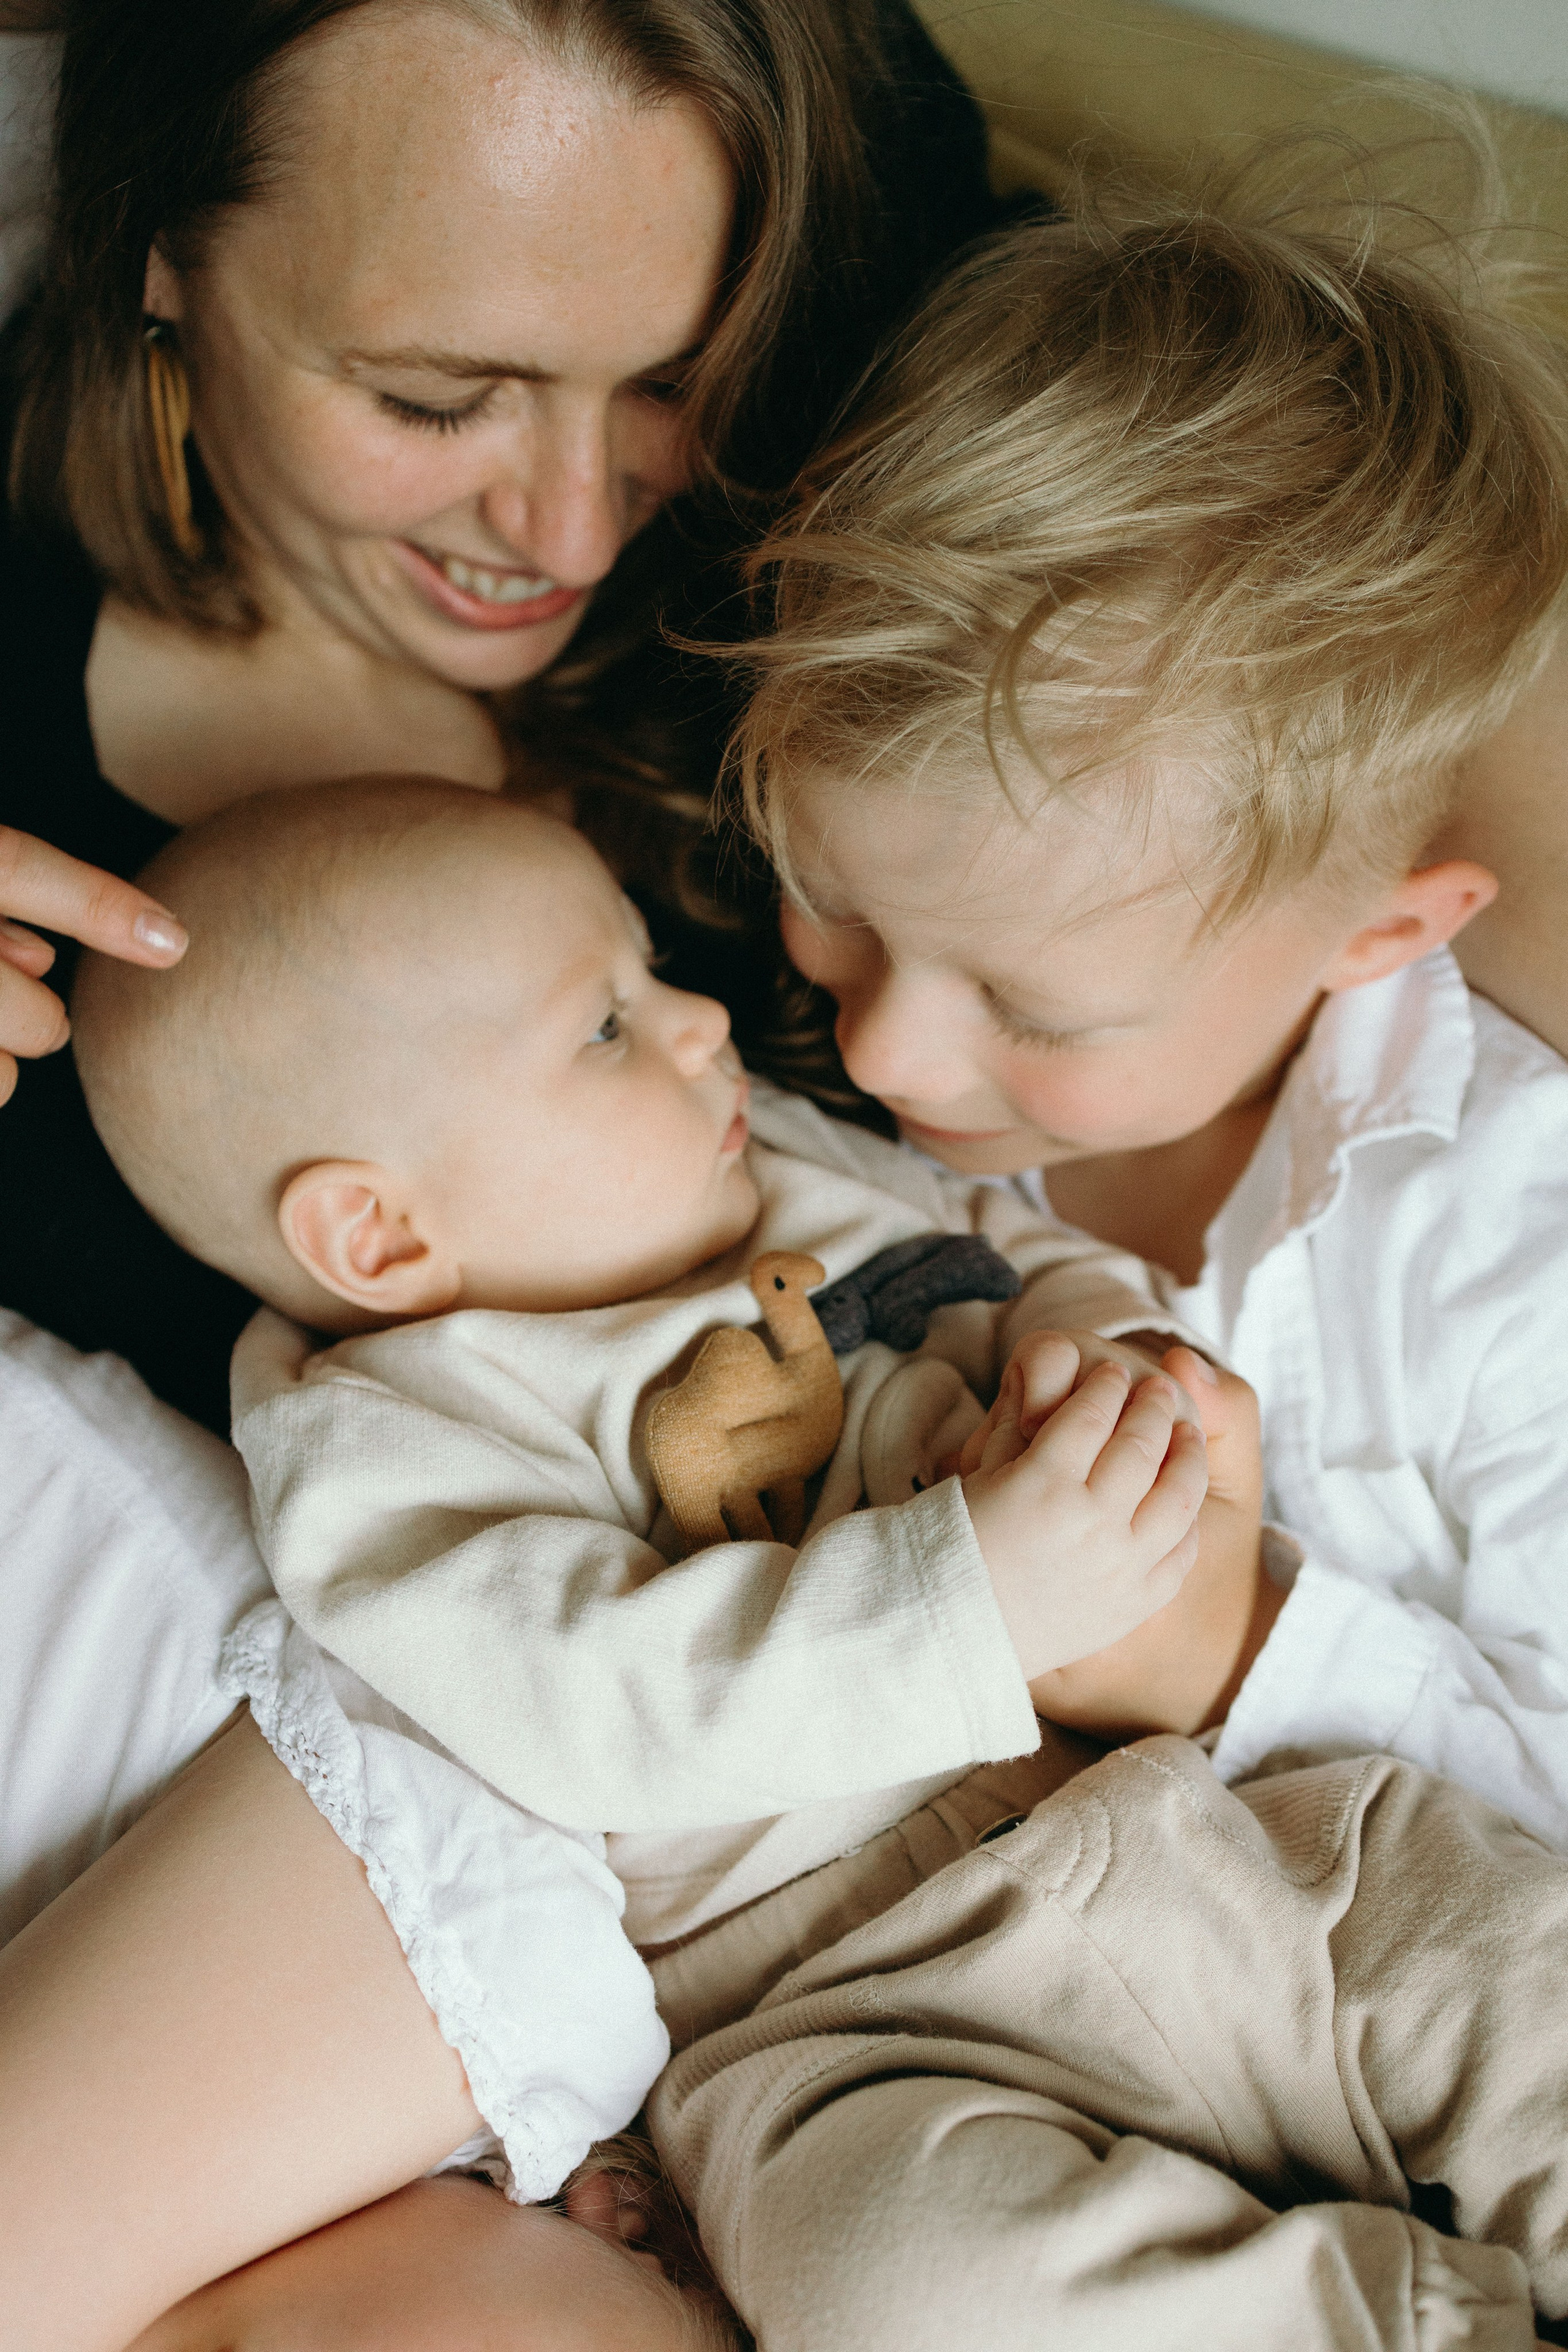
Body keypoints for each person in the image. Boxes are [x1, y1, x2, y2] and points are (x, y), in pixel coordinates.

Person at [0, 0, 1000, 1430]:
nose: (576, 539)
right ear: (160, 254)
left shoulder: (833, 521)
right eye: (433, 399)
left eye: (672, 380)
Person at [723, 164, 1568, 1839]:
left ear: (1382, 932)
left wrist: (1220, 1647)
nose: (881, 1046)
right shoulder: (799, 1099)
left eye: (1035, 1009)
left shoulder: (1508, 1253)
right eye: (825, 896)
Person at [73, 772, 1218, 1950]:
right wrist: (973, 1607)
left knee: (1413, 1933)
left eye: (652, 966)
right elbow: (595, 1705)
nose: (702, 1023)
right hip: (857, 1953)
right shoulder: (388, 1457)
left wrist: (1102, 1350)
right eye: (607, 1026)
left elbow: (1007, 1246)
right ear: (381, 1236)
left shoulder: (756, 1145)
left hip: (1183, 1801)